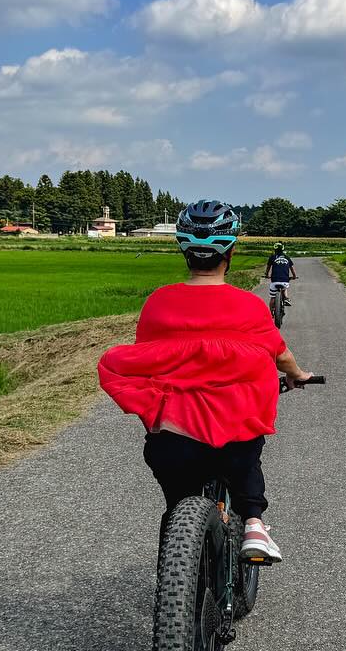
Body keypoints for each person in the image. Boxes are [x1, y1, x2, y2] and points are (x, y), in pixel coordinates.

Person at [98, 201, 316, 564]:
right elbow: (279, 354)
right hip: (234, 433)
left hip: (172, 436)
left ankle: (176, 555)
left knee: (178, 501)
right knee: (245, 462)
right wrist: (296, 376)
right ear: (230, 250)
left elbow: (149, 357)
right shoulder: (249, 306)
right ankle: (254, 525)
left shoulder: (159, 302)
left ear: (184, 248)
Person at [264, 242, 297, 307]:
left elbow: (268, 268)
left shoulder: (272, 257)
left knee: (273, 298)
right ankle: (286, 298)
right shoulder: (287, 257)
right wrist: (294, 276)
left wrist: (267, 275)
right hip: (285, 280)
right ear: (283, 249)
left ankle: (271, 314)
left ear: (275, 250)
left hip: (274, 280)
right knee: (284, 288)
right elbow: (292, 269)